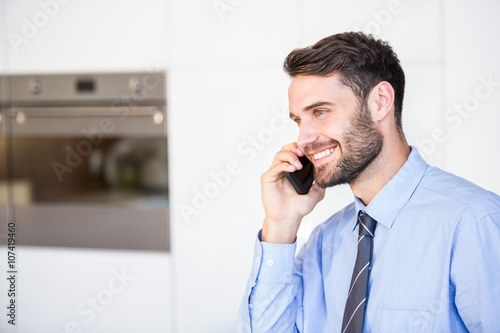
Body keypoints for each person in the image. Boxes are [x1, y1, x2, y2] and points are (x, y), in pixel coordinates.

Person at [237, 31, 500, 332]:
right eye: (299, 120)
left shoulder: (474, 223)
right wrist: (280, 224)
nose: (304, 138)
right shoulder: (323, 242)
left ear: (380, 102)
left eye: (320, 112)